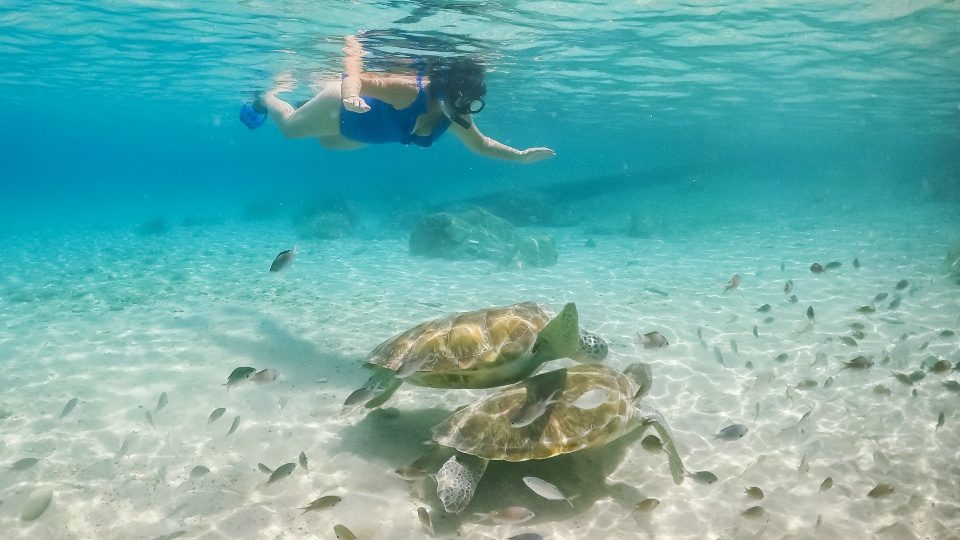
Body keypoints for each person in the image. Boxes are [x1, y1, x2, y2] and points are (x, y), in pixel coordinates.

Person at [239, 35, 556, 163]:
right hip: (345, 106)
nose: (463, 109)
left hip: (365, 130)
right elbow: (358, 78)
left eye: (469, 103)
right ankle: (266, 97)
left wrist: (519, 156)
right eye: (460, 99)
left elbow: (481, 144)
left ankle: (310, 100)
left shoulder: (455, 112)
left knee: (327, 145)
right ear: (444, 87)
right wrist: (350, 97)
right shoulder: (410, 92)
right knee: (292, 129)